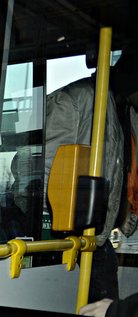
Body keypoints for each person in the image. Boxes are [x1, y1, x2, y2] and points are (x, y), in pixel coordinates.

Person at [45, 53, 138, 302]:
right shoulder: (77, 100)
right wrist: (62, 224)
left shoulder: (128, 113)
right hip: (72, 234)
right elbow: (48, 168)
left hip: (99, 235)